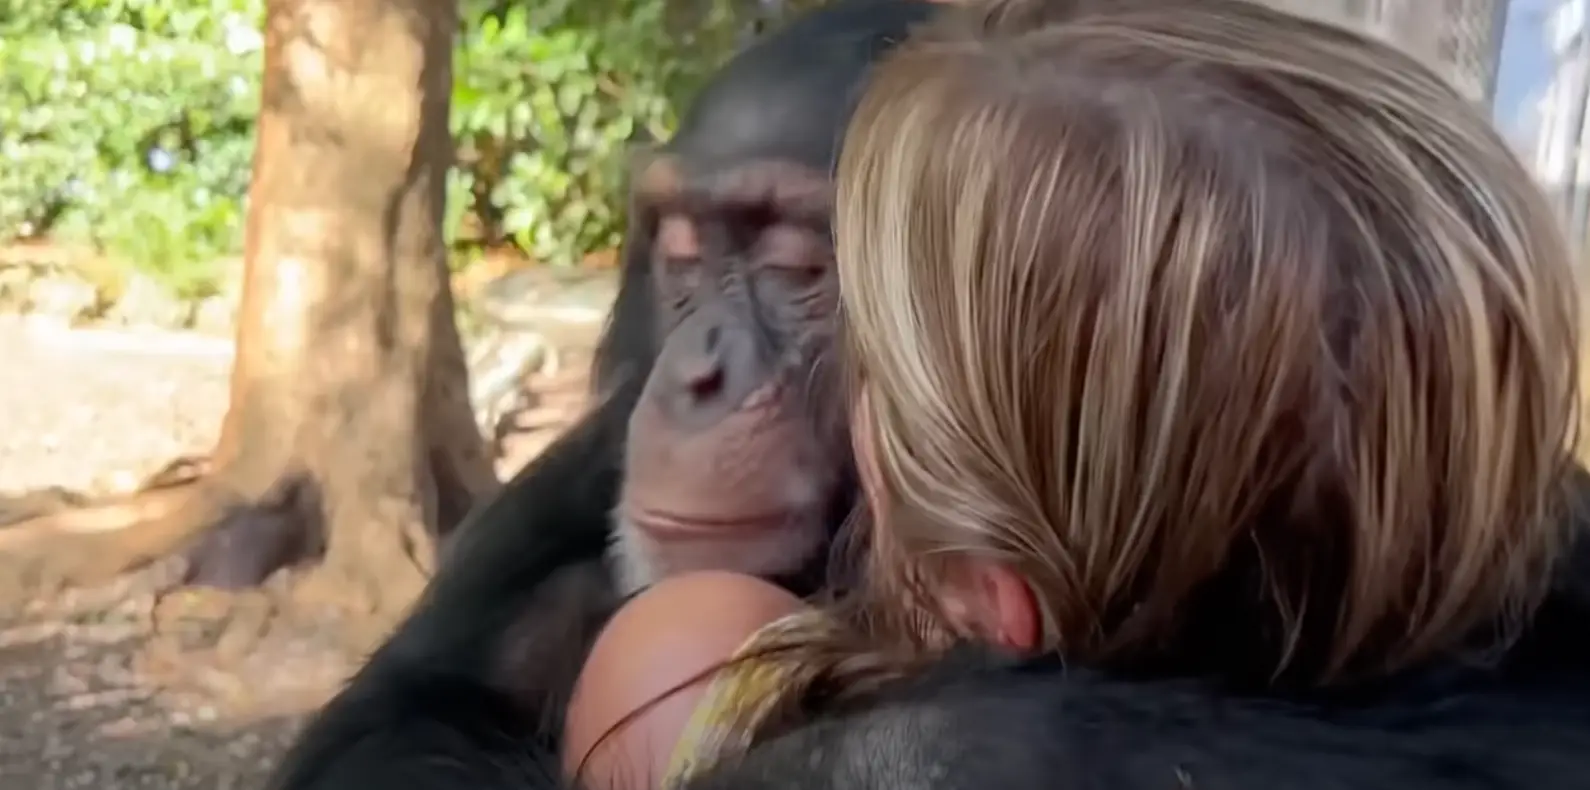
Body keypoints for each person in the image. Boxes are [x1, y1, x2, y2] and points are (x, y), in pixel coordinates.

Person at [562, 1, 1586, 788]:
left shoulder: (700, 688)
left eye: (801, 273)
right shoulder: (1489, 520)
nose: (696, 368)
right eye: (683, 262)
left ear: (990, 582)